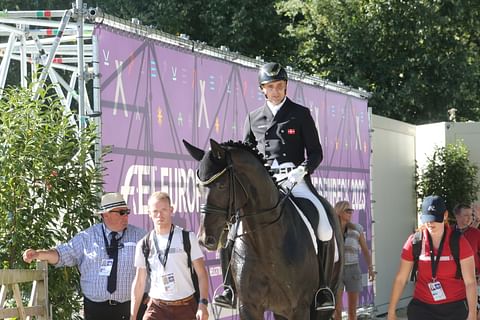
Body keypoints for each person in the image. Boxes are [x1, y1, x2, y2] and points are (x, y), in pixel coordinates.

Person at [213, 62, 335, 311]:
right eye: (271, 87)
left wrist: (301, 170)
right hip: (263, 185)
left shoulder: (300, 114)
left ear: (286, 86)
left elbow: (316, 152)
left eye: (280, 86)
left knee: (323, 226)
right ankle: (229, 287)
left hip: (295, 181)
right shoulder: (253, 118)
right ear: (263, 89)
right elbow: (246, 155)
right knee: (232, 230)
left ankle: (322, 288)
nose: (276, 91)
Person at [23, 192, 147, 320]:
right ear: (105, 215)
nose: (126, 216)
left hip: (131, 309)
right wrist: (38, 254)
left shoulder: (141, 236)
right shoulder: (87, 237)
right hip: (96, 310)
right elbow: (62, 254)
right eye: (121, 212)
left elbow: (155, 266)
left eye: (127, 212)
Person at [387, 195, 476, 320]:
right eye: (427, 218)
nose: (430, 223)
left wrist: (472, 313)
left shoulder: (458, 242)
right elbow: (401, 279)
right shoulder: (415, 241)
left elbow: (470, 282)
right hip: (422, 308)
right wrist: (391, 310)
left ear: (445, 215)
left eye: (435, 218)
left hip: (454, 308)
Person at [130, 191, 209, 320]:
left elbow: (201, 274)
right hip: (157, 308)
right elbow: (139, 282)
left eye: (164, 210)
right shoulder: (144, 244)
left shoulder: (188, 238)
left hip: (186, 306)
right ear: (149, 213)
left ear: (171, 210)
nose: (159, 215)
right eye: (155, 211)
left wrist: (203, 304)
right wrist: (132, 316)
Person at [334, 201, 375, 320]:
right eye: (348, 210)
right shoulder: (331, 229)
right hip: (336, 270)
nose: (351, 213)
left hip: (353, 270)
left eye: (351, 211)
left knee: (352, 311)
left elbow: (366, 251)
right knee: (337, 310)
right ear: (339, 212)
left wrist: (370, 269)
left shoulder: (357, 228)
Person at [454, 203, 480, 319]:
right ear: (457, 216)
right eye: (465, 215)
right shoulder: (449, 233)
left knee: (476, 309)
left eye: (471, 215)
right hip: (455, 279)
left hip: (475, 278)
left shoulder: (476, 233)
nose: (469, 218)